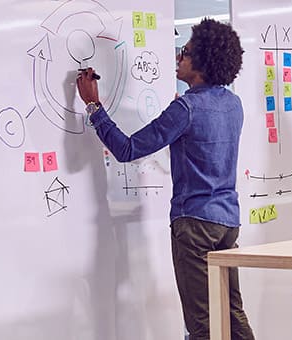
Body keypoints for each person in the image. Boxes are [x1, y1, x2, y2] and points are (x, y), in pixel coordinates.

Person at [76, 19, 254, 340]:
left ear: (200, 62)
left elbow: (127, 149)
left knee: (202, 325)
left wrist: (94, 105)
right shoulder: (233, 104)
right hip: (227, 222)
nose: (178, 58)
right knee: (231, 311)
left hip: (194, 225)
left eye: (183, 52)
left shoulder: (185, 108)